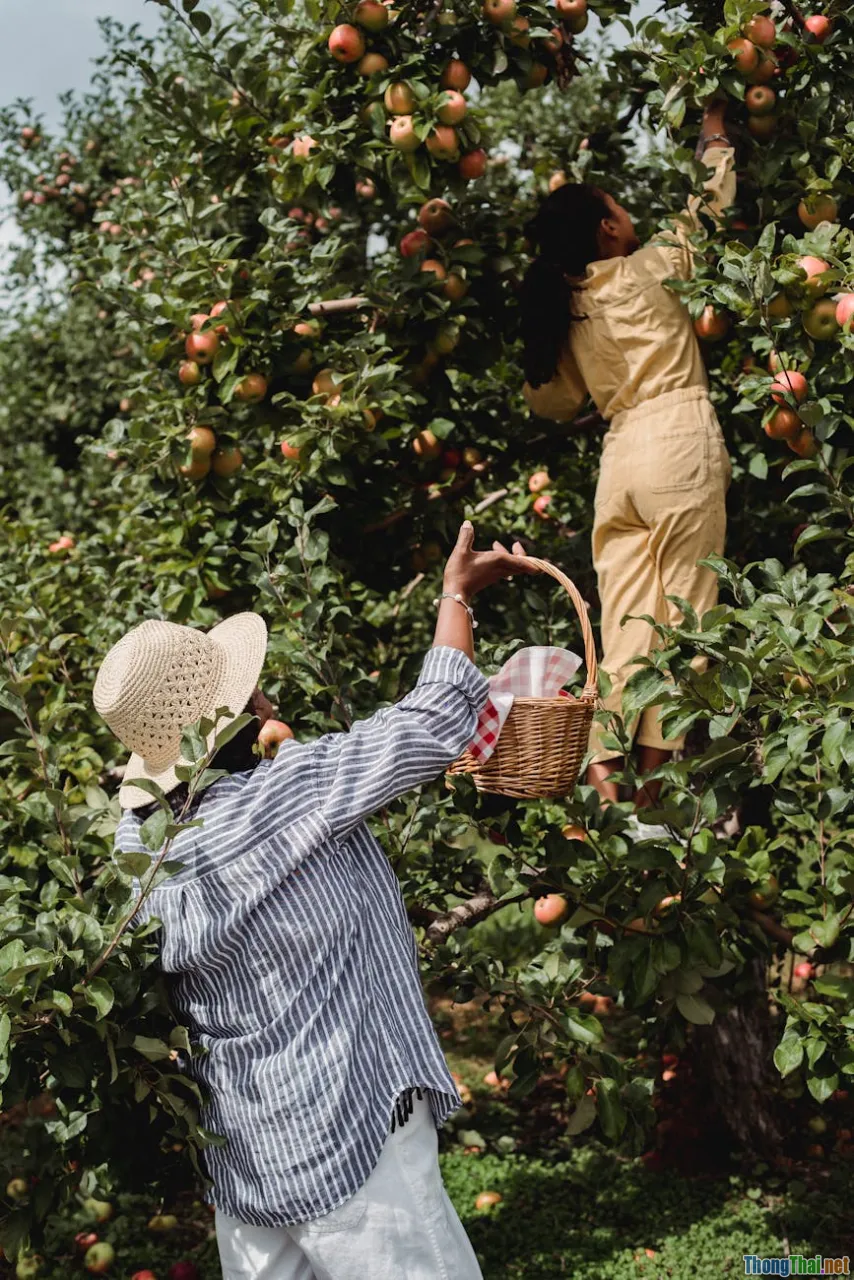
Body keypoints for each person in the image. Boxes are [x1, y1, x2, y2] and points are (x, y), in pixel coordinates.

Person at [93, 522, 533, 1280]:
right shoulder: (295, 796)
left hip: (248, 1147)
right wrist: (455, 596)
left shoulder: (135, 851)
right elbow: (432, 720)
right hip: (352, 1130)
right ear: (232, 717)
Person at [520, 101, 735, 809]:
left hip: (621, 462)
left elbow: (552, 403)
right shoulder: (650, 267)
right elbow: (709, 204)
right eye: (616, 206)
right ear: (608, 227)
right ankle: (649, 805)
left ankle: (606, 789)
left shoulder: (569, 303)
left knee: (626, 631)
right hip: (677, 440)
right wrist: (713, 132)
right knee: (687, 617)